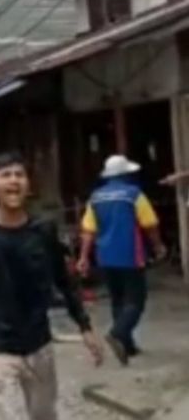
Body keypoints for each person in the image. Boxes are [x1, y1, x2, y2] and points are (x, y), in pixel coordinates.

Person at [0, 151, 103, 420]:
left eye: (19, 175)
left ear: (28, 185)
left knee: (44, 415)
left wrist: (84, 326)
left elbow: (64, 280)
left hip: (39, 343)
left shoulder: (44, 230)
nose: (14, 180)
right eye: (6, 175)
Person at [77, 154, 167, 365]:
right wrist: (158, 245)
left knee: (118, 299)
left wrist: (83, 257)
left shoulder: (96, 197)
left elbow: (88, 230)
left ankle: (127, 346)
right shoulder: (133, 194)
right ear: (126, 173)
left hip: (105, 256)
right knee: (136, 300)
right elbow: (150, 224)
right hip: (130, 254)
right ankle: (118, 333)